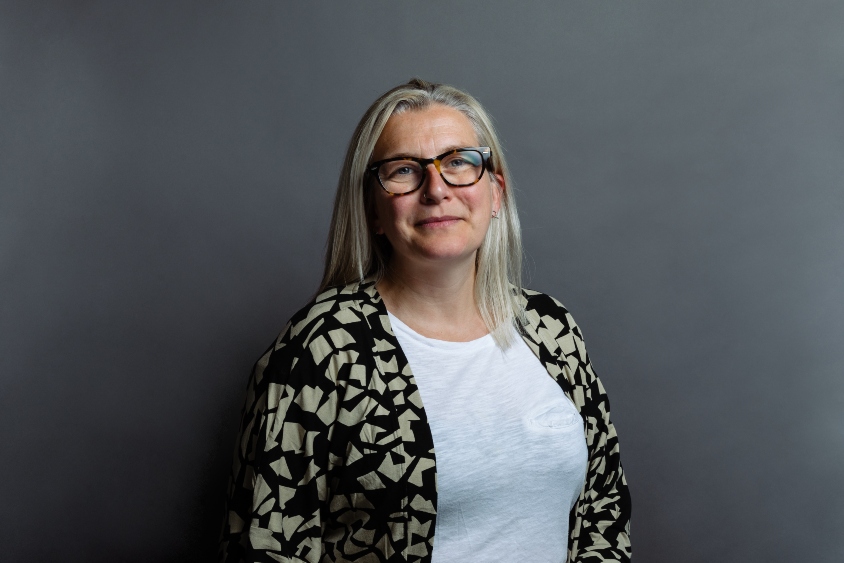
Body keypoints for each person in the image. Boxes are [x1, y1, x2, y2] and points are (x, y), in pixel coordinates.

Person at [220, 79, 631, 563]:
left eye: (459, 162)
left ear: (495, 191)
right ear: (373, 209)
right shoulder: (321, 349)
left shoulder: (551, 329)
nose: (436, 190)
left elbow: (604, 512)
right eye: (403, 170)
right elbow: (264, 546)